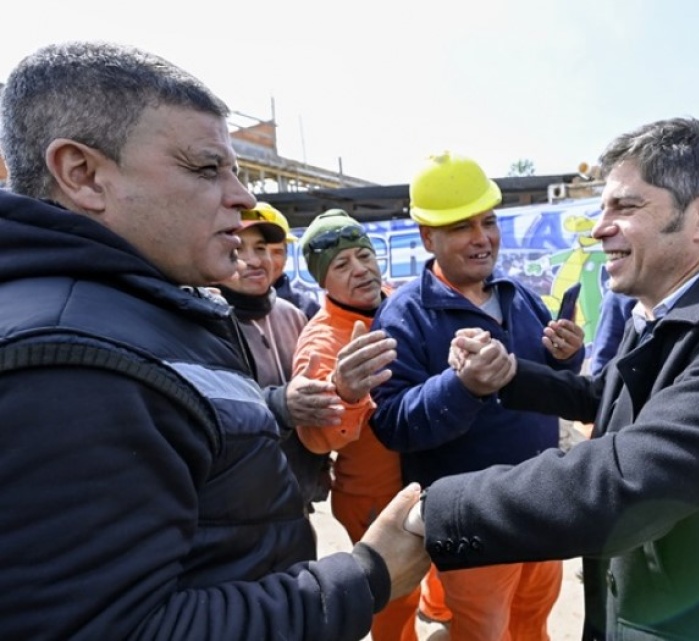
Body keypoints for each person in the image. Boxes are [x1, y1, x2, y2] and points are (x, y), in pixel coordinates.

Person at [0, 41, 428, 640]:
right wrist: (365, 576)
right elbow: (113, 628)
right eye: (206, 168)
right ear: (83, 174)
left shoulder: (148, 314)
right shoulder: (65, 363)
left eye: (237, 169)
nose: (244, 197)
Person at [403, 118, 699, 641]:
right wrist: (510, 377)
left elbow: (629, 479)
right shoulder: (654, 310)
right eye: (603, 209)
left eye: (624, 208)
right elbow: (606, 397)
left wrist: (439, 510)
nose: (600, 228)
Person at [371, 151, 585, 641]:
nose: (482, 237)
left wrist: (564, 358)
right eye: (461, 227)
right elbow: (392, 423)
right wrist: (461, 387)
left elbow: (549, 382)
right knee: (483, 632)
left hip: (540, 501)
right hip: (473, 520)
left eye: (488, 221)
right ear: (428, 237)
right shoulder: (404, 315)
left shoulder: (519, 294)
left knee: (533, 620)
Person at [291, 209, 421, 641]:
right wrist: (345, 392)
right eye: (342, 265)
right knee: (395, 601)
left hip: (420, 477)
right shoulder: (323, 341)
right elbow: (314, 439)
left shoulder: (399, 302)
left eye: (364, 255)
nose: (361, 269)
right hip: (373, 496)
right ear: (321, 281)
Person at [216, 211, 331, 552]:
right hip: (239, 510)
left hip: (297, 499)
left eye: (262, 247)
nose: (254, 261)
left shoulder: (291, 315)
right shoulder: (205, 321)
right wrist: (281, 405)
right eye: (238, 250)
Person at [245, 201, 323, 319]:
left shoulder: (307, 309)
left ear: (286, 256)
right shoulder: (216, 311)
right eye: (260, 249)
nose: (267, 260)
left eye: (276, 252)